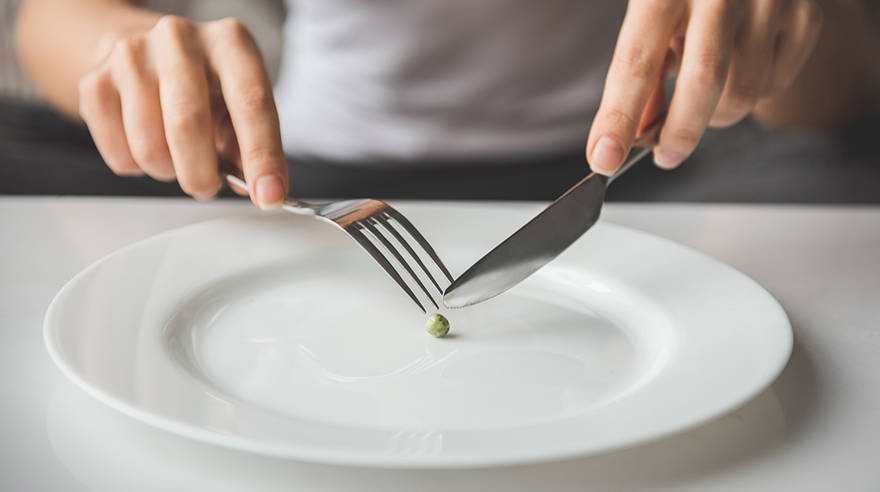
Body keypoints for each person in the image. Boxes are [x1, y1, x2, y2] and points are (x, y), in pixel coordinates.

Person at [13, 0, 879, 207]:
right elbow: (46, 17)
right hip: (302, 176)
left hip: (635, 174)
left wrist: (778, 39)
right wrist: (122, 54)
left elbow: (829, 98)